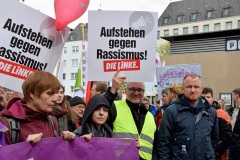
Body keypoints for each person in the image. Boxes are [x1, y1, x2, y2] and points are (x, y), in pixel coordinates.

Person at [157, 74, 219, 160]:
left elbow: (214, 139)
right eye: (189, 87)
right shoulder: (171, 111)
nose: (193, 90)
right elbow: (163, 143)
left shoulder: (211, 112)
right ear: (182, 89)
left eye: (196, 87)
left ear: (201, 89)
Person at [104, 71, 156, 160]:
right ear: (125, 91)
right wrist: (112, 90)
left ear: (144, 92)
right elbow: (100, 108)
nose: (136, 93)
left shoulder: (150, 116)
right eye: (132, 89)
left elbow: (156, 146)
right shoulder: (115, 107)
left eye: (139, 90)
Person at [0, 71, 61, 144]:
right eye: (50, 93)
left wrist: (66, 142)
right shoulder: (6, 123)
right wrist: (25, 146)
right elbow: (4, 154)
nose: (55, 99)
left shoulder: (52, 120)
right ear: (32, 93)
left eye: (55, 93)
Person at [202, 87, 232, 160]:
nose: (206, 99)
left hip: (217, 154)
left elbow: (227, 137)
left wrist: (216, 151)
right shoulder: (196, 113)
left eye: (208, 97)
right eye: (203, 97)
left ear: (212, 98)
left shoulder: (221, 115)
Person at [231, 88, 240, 159]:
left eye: (233, 95)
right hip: (234, 140)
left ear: (237, 95)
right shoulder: (235, 109)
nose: (232, 97)